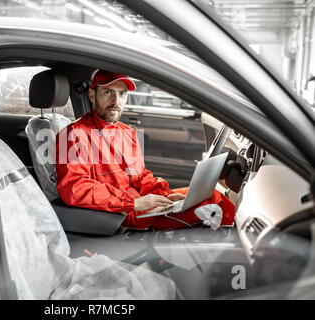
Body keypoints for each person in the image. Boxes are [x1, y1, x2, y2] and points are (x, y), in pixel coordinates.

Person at [55, 69, 235, 230]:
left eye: (122, 93)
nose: (116, 101)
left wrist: (166, 196)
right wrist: (133, 203)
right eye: (108, 92)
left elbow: (141, 177)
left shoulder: (128, 133)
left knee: (211, 195)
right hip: (121, 214)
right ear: (92, 95)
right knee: (215, 203)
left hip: (143, 203)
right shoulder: (72, 135)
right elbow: (75, 188)